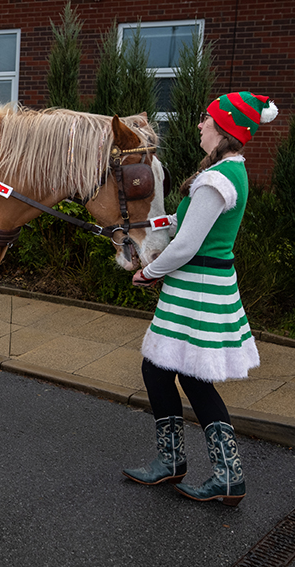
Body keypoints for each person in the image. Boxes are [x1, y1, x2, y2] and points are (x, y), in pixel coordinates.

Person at [122, 92, 278, 507]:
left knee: (180, 374)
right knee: (168, 371)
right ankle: (190, 465)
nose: (199, 125)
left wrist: (149, 272)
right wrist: (146, 223)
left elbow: (187, 244)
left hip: (198, 288)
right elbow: (184, 221)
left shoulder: (218, 178)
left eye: (206, 119)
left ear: (225, 127)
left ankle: (216, 473)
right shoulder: (228, 170)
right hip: (202, 286)